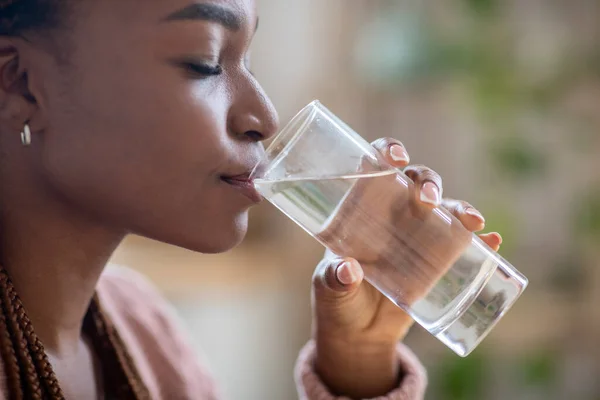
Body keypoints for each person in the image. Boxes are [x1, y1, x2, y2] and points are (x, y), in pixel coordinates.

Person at [0, 0, 503, 399]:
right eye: (205, 61)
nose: (264, 115)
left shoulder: (146, 338)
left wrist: (357, 363)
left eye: (249, 61)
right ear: (19, 83)